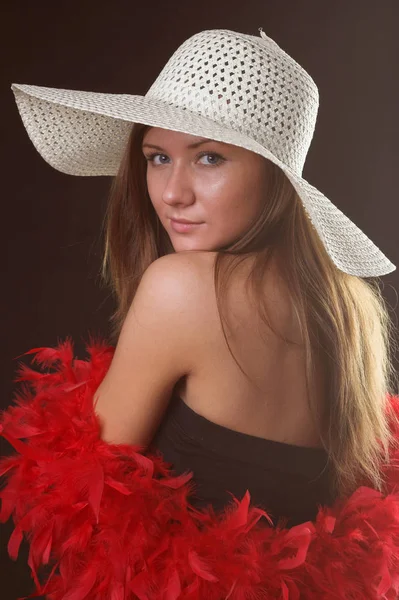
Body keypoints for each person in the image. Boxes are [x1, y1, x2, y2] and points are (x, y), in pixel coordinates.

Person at [1, 27, 399, 599]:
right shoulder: (345, 312)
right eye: (157, 157)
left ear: (277, 180)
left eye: (209, 158)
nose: (171, 192)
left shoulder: (182, 288)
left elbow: (83, 493)